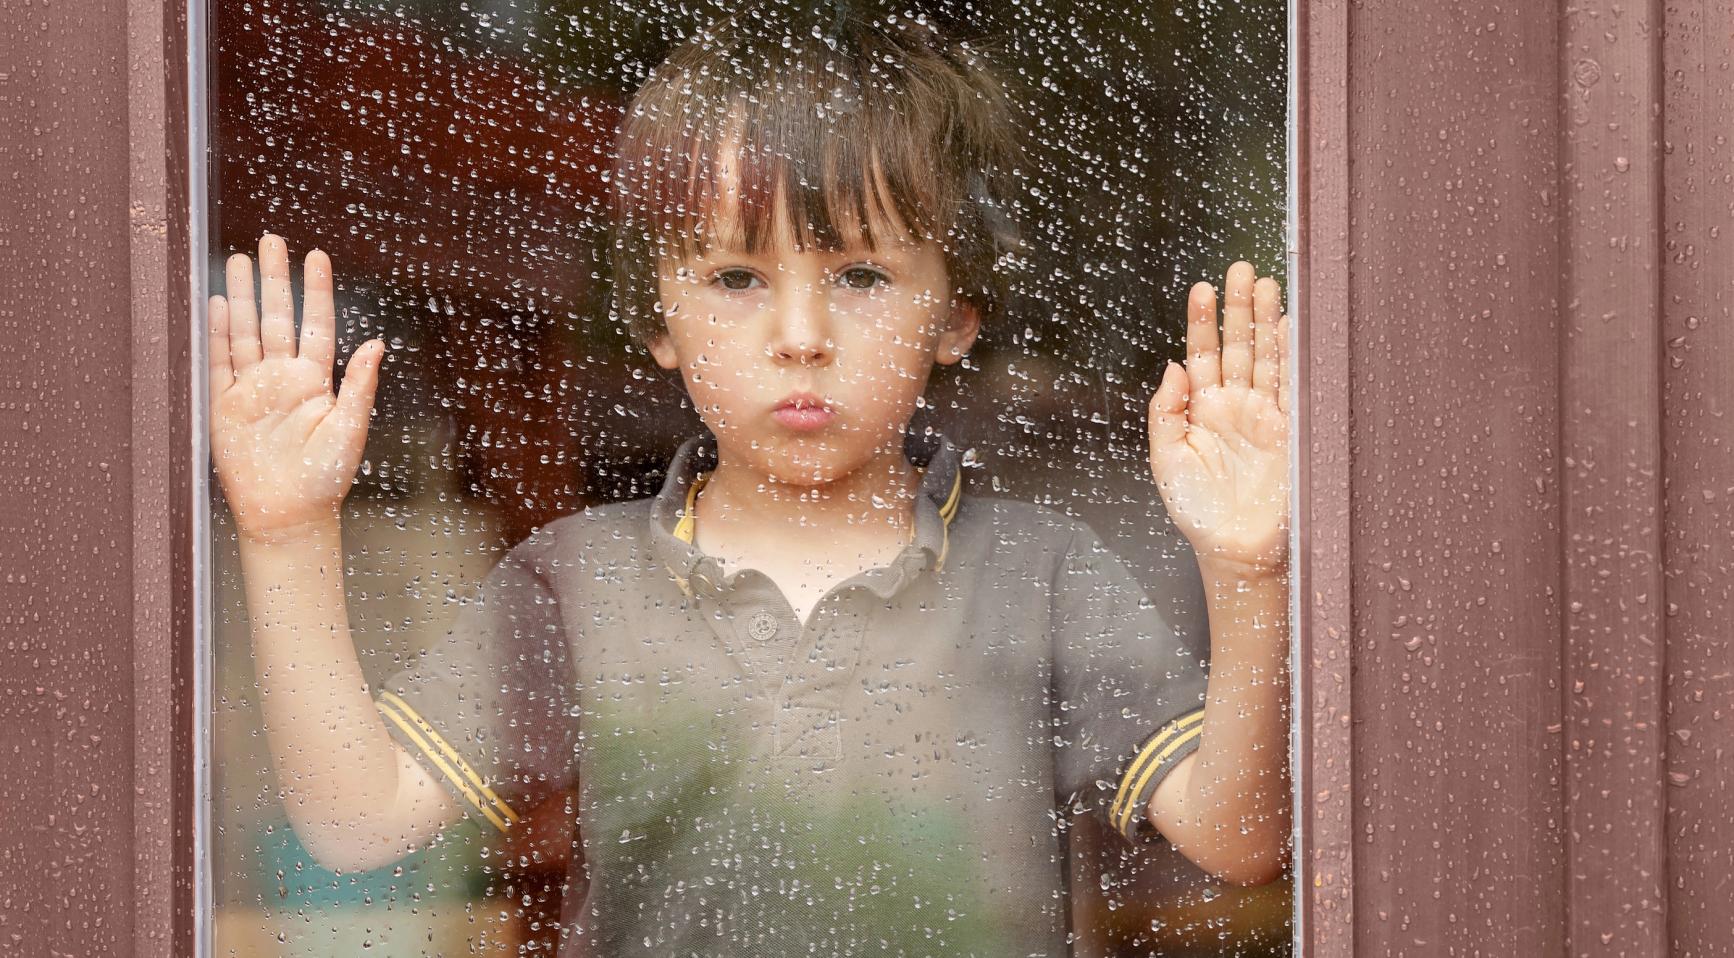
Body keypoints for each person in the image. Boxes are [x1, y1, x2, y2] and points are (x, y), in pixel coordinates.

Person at [208, 4, 1292, 954]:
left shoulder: (1040, 572)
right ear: (656, 318)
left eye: (860, 274)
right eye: (736, 276)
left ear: (956, 315)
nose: (801, 334)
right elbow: (357, 821)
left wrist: (1249, 574)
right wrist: (285, 532)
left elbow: (1240, 840)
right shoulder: (579, 584)